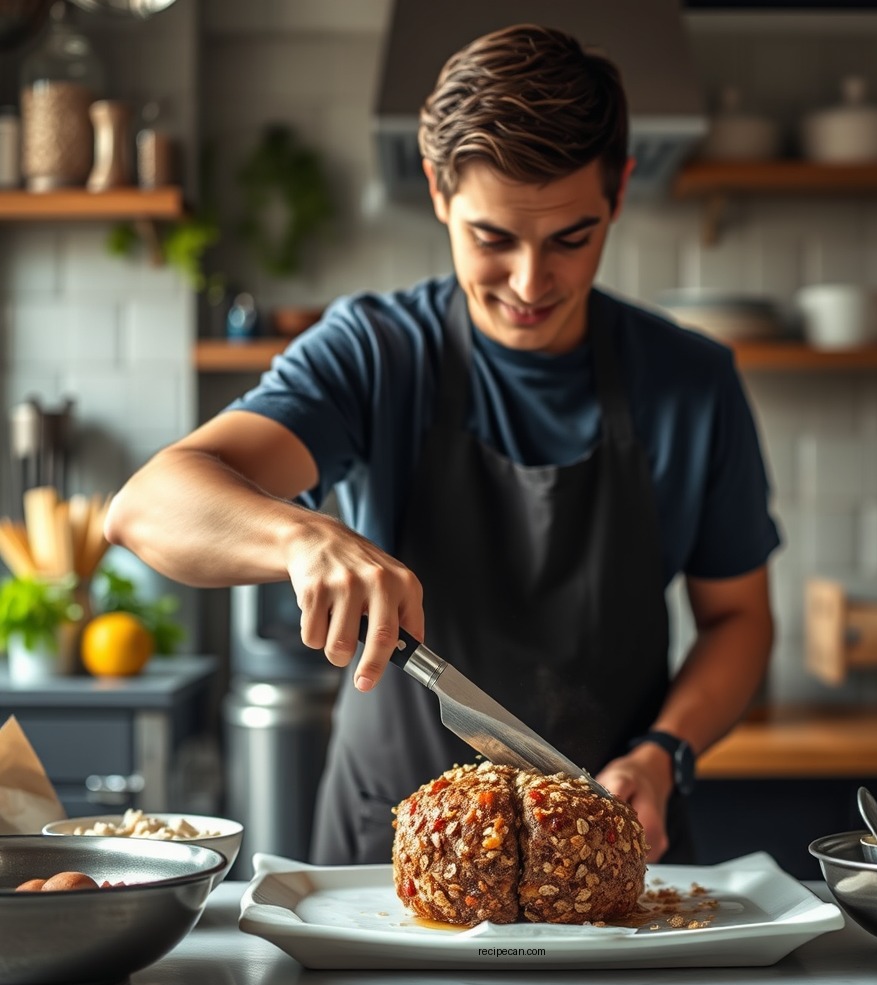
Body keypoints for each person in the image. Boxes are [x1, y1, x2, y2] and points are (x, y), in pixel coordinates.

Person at [105, 23, 779, 866]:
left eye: (571, 237)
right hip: (380, 866)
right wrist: (304, 536)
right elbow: (146, 505)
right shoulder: (374, 352)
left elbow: (739, 620)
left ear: (619, 193)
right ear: (436, 190)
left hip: (614, 858)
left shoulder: (693, 382)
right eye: (493, 238)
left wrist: (665, 753)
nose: (531, 284)